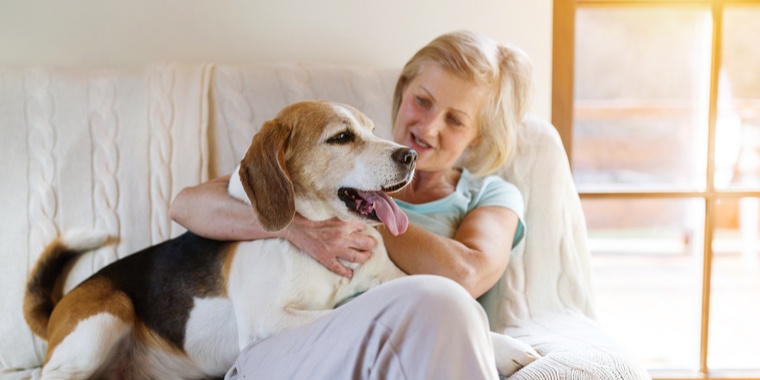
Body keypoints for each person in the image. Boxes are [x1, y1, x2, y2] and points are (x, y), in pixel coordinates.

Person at [169, 30, 532, 379]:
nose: (428, 126)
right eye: (422, 101)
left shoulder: (490, 194)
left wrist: (362, 219)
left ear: (478, 135)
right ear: (403, 90)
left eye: (455, 120)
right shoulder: (335, 174)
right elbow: (188, 205)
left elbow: (464, 275)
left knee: (441, 306)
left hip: (418, 337)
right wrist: (300, 226)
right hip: (301, 349)